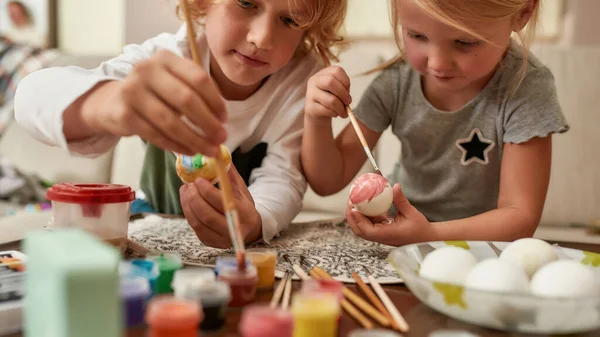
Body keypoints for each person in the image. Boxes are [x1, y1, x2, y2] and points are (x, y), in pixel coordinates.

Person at [14, 0, 347, 248]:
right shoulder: (167, 57)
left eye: (289, 19)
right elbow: (31, 96)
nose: (261, 38)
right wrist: (106, 102)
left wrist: (255, 220)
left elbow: (285, 176)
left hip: (239, 248)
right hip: (150, 219)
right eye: (246, 2)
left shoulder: (300, 80)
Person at [301, 0, 569, 246]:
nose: (438, 64)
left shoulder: (525, 89)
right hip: (397, 237)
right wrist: (316, 119)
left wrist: (429, 235)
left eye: (465, 42)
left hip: (478, 248)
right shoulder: (395, 83)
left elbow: (519, 219)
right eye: (417, 36)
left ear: (522, 13)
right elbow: (328, 182)